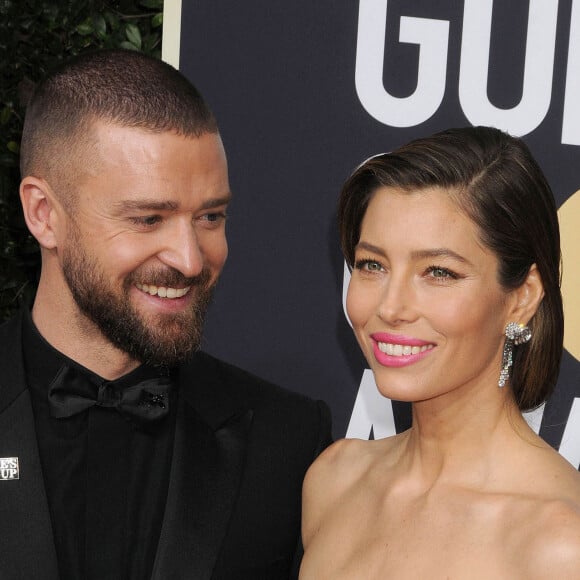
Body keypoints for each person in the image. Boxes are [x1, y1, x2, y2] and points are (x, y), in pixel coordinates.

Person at [0, 48, 332, 580]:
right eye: (149, 218)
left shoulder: (286, 439)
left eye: (210, 216)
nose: (191, 259)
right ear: (44, 214)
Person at [299, 126, 580, 579]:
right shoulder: (334, 480)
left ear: (523, 297)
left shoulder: (561, 543)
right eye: (372, 265)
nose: (390, 307)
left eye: (439, 272)